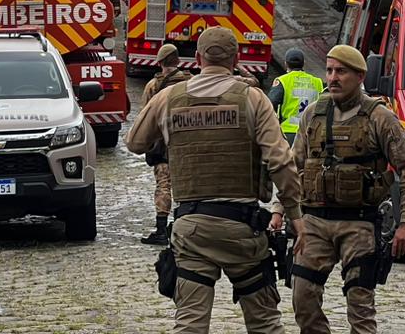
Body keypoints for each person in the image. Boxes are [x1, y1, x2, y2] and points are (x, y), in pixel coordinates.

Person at [126, 26, 303, 334]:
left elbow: (134, 142)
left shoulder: (170, 97)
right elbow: (281, 161)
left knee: (190, 324)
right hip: (242, 231)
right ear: (236, 60)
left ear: (196, 58)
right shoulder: (254, 99)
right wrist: (295, 216)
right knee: (264, 322)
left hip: (191, 228)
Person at [272, 45, 405, 334]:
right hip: (314, 221)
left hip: (359, 222)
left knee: (360, 303)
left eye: (341, 71)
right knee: (302, 297)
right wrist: (279, 210)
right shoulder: (313, 114)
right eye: (329, 70)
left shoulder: (380, 118)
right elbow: (293, 166)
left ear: (360, 75)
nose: (333, 78)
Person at [139, 43, 193, 245]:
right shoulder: (190, 82)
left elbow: (146, 117)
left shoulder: (153, 86)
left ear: (160, 62)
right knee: (187, 186)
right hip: (187, 143)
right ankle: (184, 227)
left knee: (164, 185)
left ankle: (162, 229)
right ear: (178, 60)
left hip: (163, 145)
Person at [266, 48, 323, 144]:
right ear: (303, 63)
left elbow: (270, 104)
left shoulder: (283, 81)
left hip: (288, 133)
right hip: (311, 132)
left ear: (285, 63)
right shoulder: (317, 82)